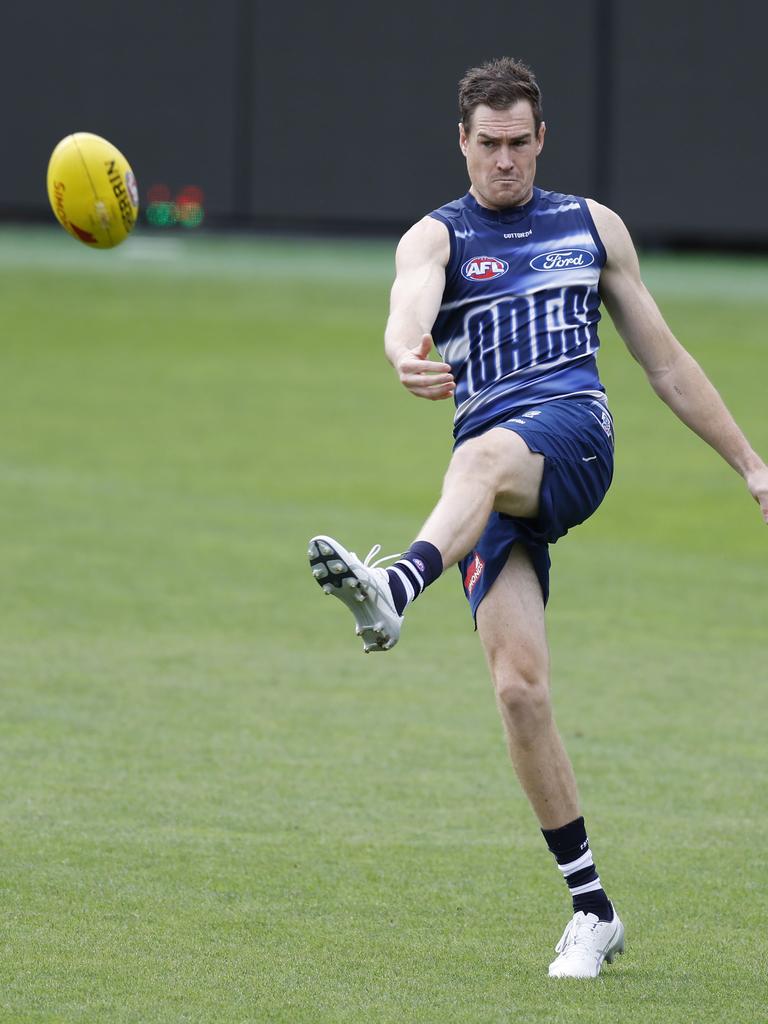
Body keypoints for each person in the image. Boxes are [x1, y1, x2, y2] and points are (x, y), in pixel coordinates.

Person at [307, 57, 768, 979]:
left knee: (475, 457)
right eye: (489, 145)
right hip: (488, 493)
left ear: (541, 139)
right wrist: (405, 354)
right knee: (519, 691)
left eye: (521, 143)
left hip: (573, 436)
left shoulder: (591, 228)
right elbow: (405, 314)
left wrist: (753, 466)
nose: (505, 161)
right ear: (464, 143)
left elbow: (667, 364)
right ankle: (593, 911)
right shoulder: (434, 238)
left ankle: (397, 583)